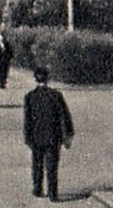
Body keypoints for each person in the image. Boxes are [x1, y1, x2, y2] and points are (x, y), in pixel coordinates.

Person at [23, 66, 75, 200]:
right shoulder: (56, 95)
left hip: (36, 136)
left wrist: (27, 137)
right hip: (53, 136)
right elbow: (64, 116)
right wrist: (68, 135)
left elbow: (27, 120)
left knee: (37, 164)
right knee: (52, 166)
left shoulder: (30, 96)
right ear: (48, 78)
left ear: (35, 79)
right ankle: (53, 193)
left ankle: (37, 189)